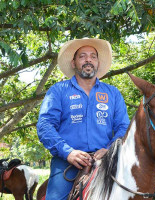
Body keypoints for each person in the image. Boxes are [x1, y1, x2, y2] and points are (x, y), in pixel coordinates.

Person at [37, 38, 130, 200]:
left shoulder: (113, 93)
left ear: (98, 63)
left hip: (107, 161)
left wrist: (110, 149)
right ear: (73, 63)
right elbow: (45, 126)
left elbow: (124, 127)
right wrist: (68, 152)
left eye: (93, 56)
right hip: (66, 162)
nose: (88, 59)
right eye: (82, 56)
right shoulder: (58, 91)